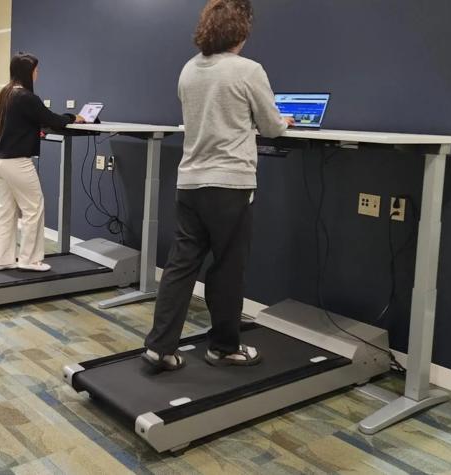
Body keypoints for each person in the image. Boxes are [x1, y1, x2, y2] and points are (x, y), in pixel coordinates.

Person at [143, 0, 294, 370]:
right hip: (229, 185)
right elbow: (272, 126)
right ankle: (224, 348)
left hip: (190, 183)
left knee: (181, 266)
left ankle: (159, 347)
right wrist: (284, 122)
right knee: (227, 268)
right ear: (240, 32)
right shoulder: (248, 70)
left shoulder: (188, 70)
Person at [0, 53, 84, 272]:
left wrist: (34, 131)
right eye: (35, 69)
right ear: (27, 71)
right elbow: (52, 119)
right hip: (16, 163)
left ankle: (1, 259)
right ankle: (29, 260)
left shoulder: (6, 93)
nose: (37, 73)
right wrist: (73, 118)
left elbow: (18, 124)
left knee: (6, 211)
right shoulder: (26, 96)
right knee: (34, 209)